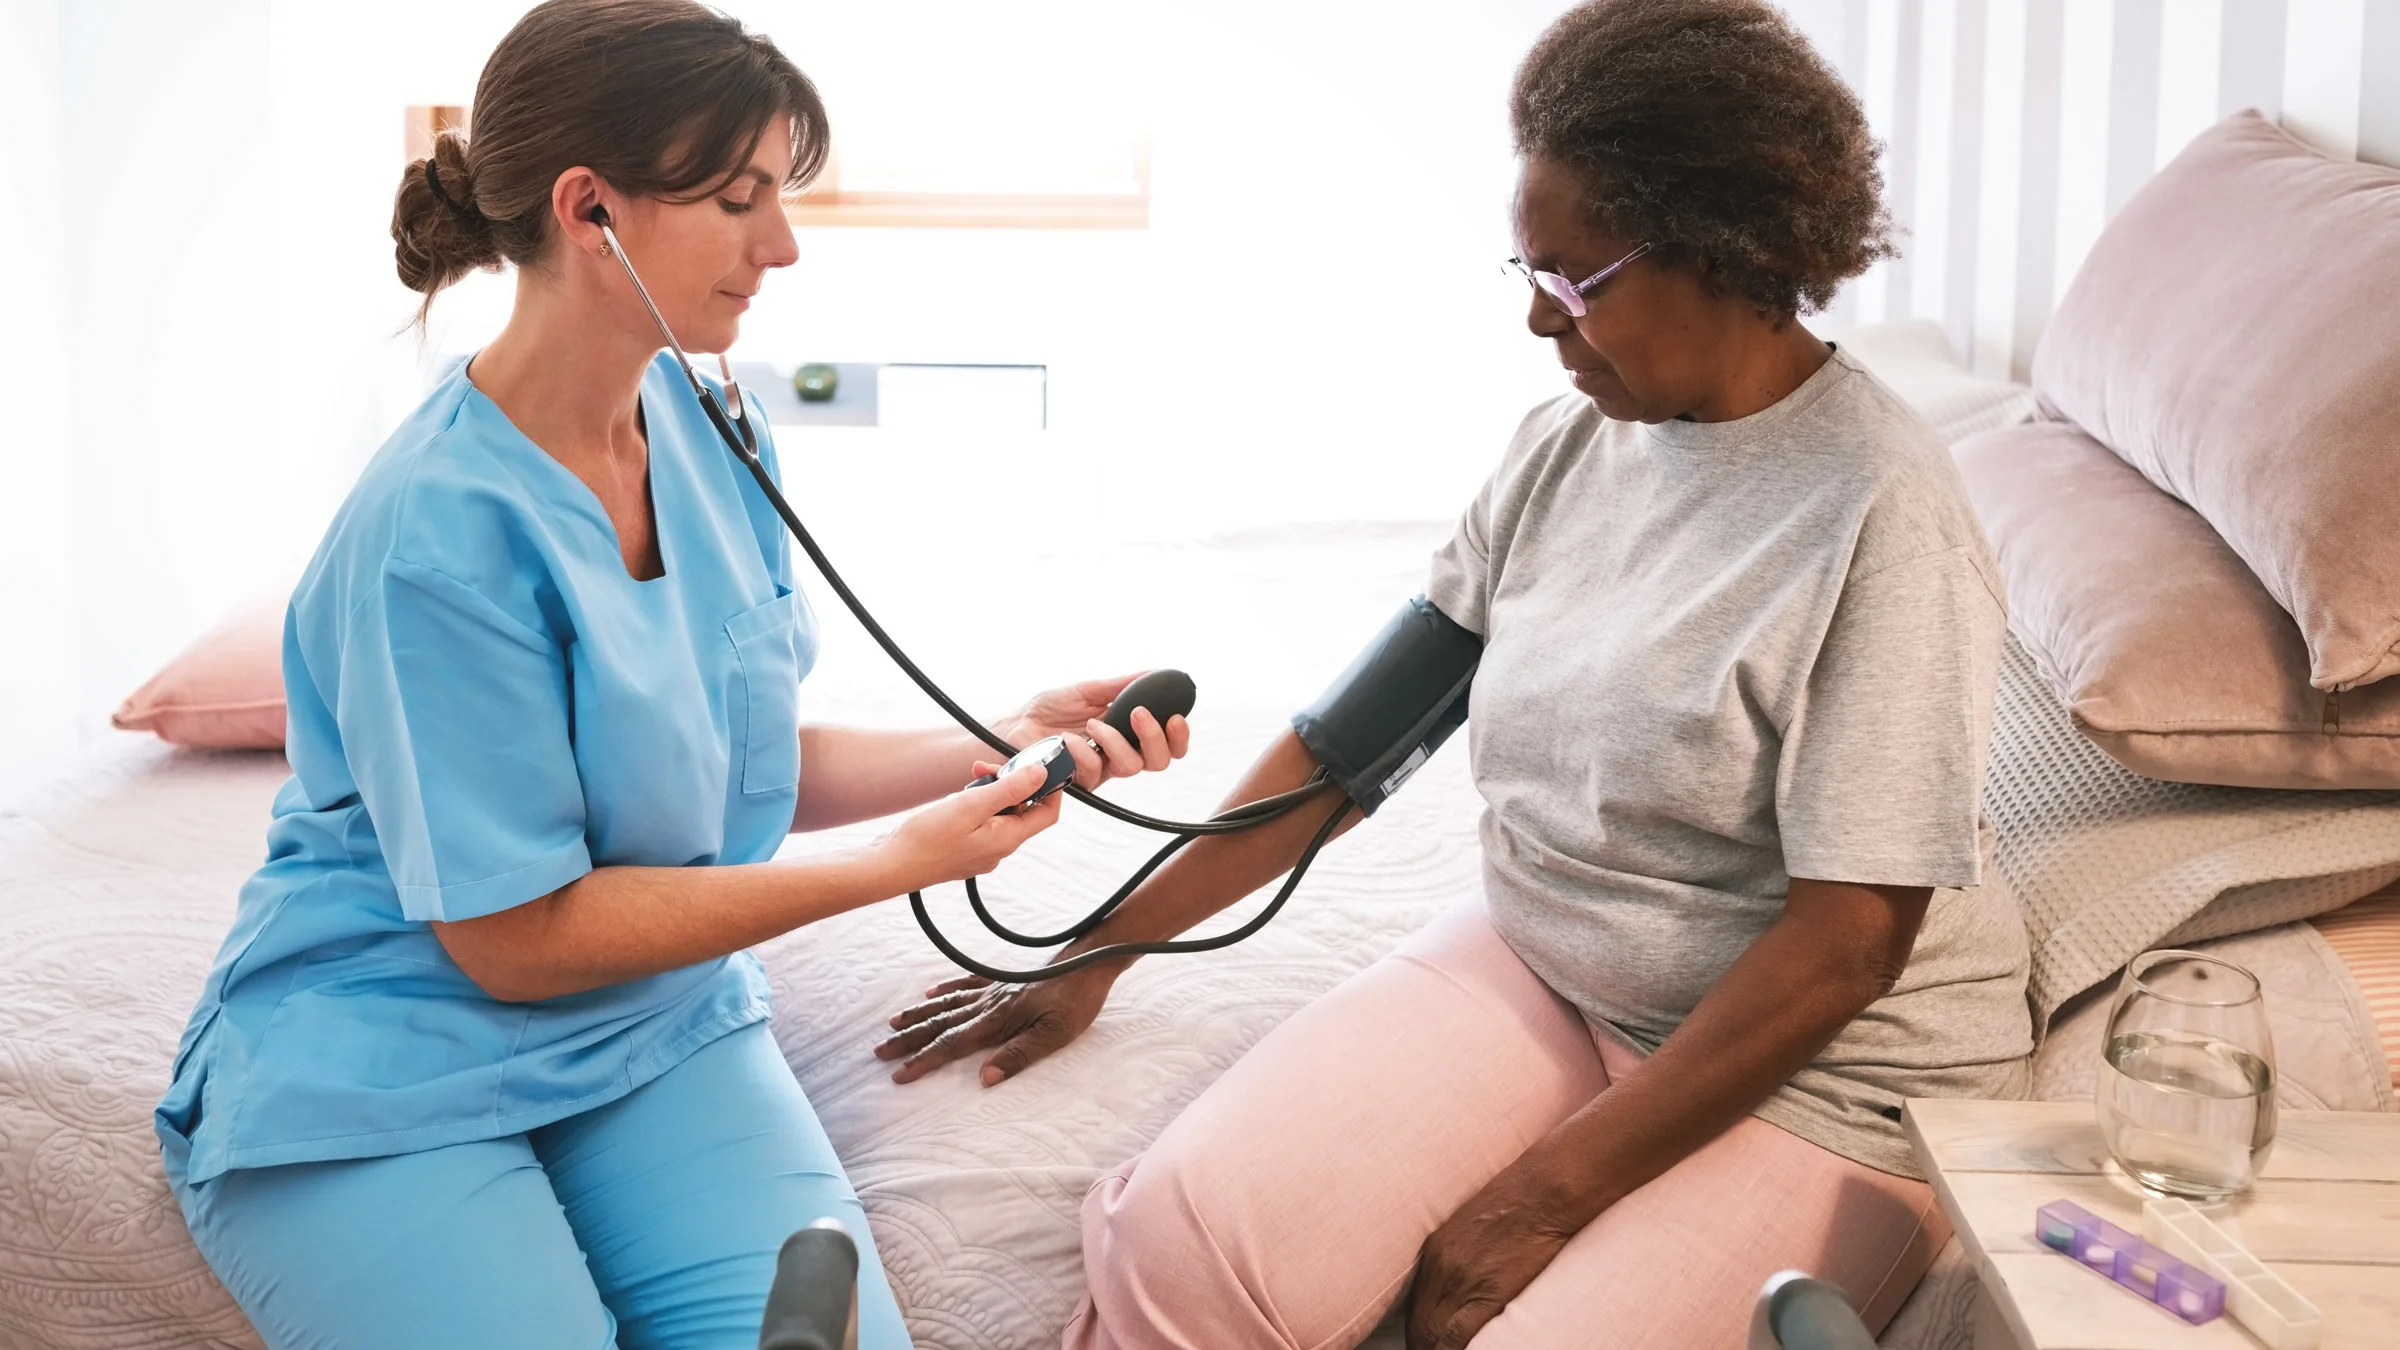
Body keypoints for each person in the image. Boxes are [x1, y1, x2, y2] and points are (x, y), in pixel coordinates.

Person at [876, 2, 2031, 1347]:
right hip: (1553, 955)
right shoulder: (1563, 446)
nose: (1543, 317)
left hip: (1824, 1074)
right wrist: (1103, 947)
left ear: (1733, 249)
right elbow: (1342, 751)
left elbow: (1849, 947)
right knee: (1185, 1245)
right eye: (1528, 268)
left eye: (1581, 279)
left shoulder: (1883, 510)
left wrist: (1539, 1196)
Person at [152, 3, 1186, 1347]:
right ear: (591, 213)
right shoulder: (435, 534)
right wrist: (899, 862)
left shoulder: (710, 421)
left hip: (651, 1019)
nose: (785, 244)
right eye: (739, 199)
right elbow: (513, 938)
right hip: (381, 1056)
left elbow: (740, 752)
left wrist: (991, 736)